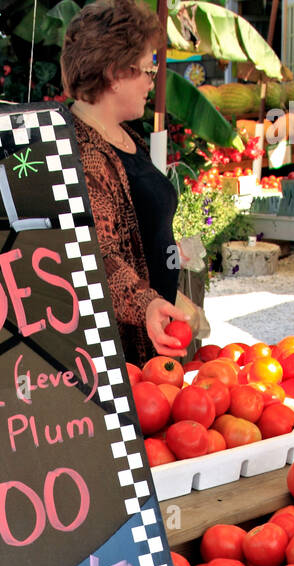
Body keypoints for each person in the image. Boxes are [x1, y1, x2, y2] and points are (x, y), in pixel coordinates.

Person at [61, 0, 207, 366]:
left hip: (155, 335)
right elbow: (96, 257)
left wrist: (172, 294)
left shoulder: (123, 136)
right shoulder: (81, 153)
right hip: (116, 355)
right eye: (147, 70)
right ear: (114, 74)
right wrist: (146, 303)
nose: (151, 81)